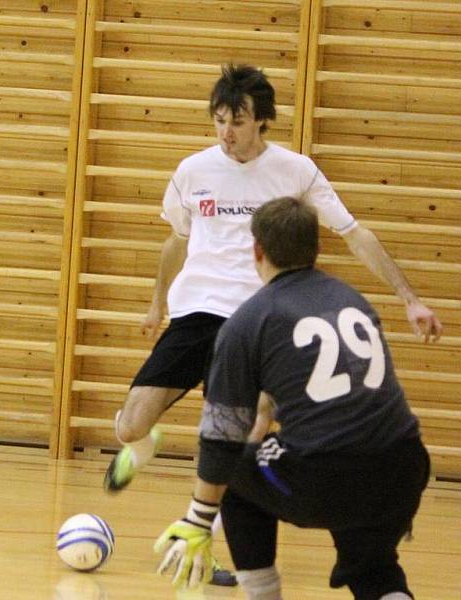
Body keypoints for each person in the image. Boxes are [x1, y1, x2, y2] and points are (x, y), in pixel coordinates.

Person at [103, 64, 441, 493]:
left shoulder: (295, 170)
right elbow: (177, 239)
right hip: (199, 310)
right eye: (219, 120)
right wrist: (157, 302)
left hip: (260, 320)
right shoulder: (192, 171)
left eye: (238, 122)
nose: (226, 133)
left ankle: (213, 534)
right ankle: (142, 441)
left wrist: (409, 298)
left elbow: (355, 234)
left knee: (242, 436)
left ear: (261, 118)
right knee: (130, 426)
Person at [154, 196, 431, 600]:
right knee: (373, 568)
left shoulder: (249, 320)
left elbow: (222, 435)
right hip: (404, 468)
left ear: (257, 250)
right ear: (315, 248)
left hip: (328, 475)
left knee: (236, 468)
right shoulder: (353, 301)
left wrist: (198, 520)